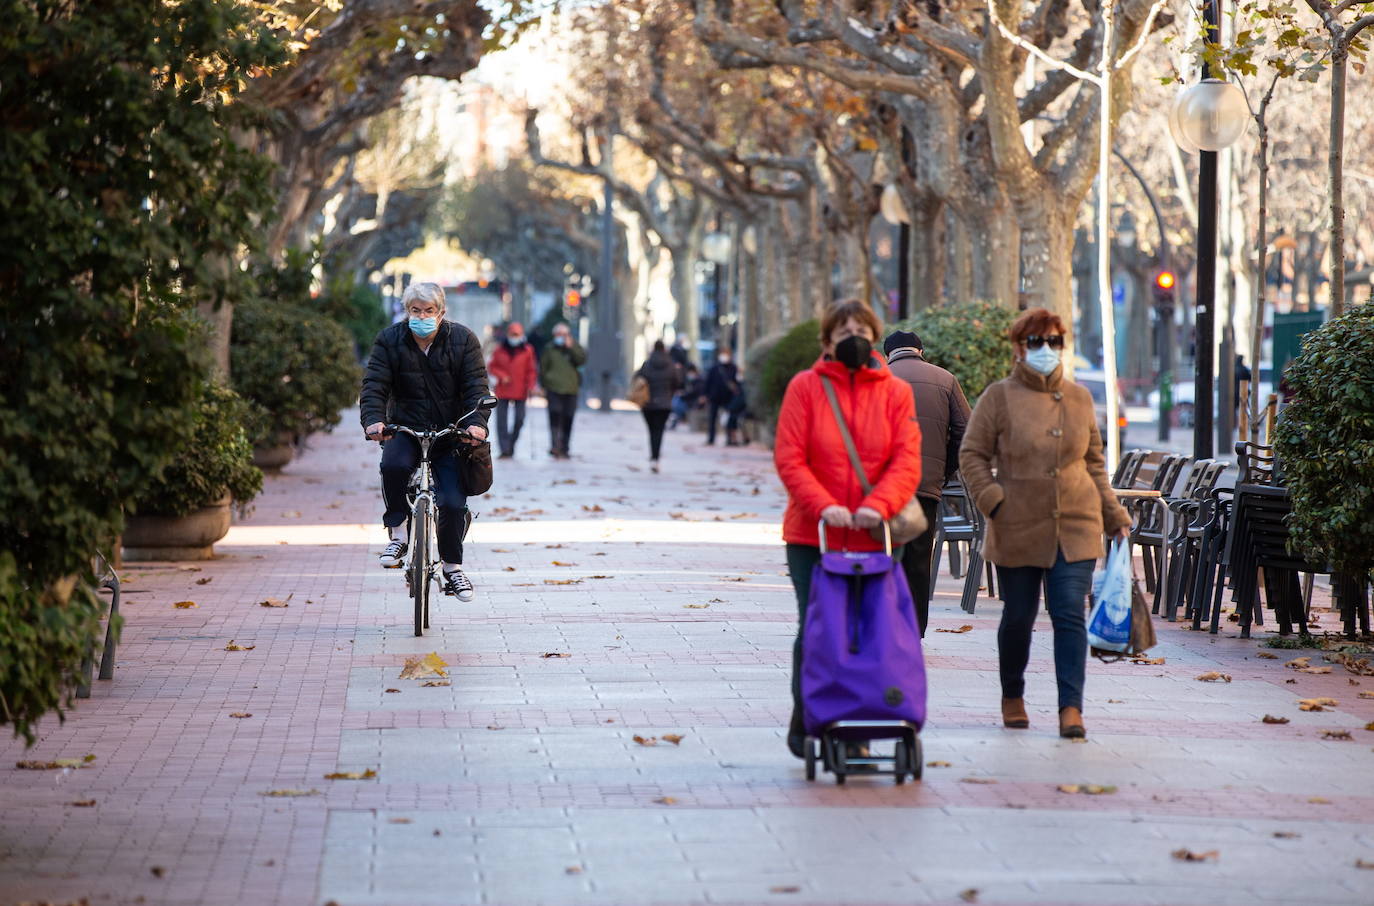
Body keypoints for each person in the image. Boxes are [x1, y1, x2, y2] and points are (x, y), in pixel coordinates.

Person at [958, 307, 1132, 739]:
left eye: (1055, 341)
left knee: (1070, 615)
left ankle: (1070, 709)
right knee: (1018, 615)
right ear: (1019, 348)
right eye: (1037, 342)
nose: (1047, 350)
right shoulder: (998, 396)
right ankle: (1012, 695)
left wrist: (1114, 516)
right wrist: (994, 501)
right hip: (1016, 524)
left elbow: (1093, 462)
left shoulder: (1078, 398)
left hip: (1076, 523)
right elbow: (971, 455)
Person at [774, 298, 923, 758]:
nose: (852, 337)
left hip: (877, 534)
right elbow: (790, 457)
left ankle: (862, 715)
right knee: (817, 628)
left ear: (875, 335)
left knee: (870, 629)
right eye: (843, 331)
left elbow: (906, 459)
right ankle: (809, 714)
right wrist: (824, 506)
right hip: (812, 535)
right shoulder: (805, 388)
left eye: (860, 328)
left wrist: (879, 506)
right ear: (827, 341)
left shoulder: (895, 393)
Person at [361, 282, 490, 601]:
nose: (422, 316)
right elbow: (374, 385)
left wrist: (476, 424)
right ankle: (398, 533)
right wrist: (374, 421)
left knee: (451, 502)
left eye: (429, 310)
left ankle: (452, 568)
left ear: (442, 312)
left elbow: (477, 387)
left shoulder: (463, 340)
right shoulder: (390, 340)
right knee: (393, 465)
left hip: (451, 433)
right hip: (404, 428)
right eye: (415, 310)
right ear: (407, 312)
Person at [883, 329, 971, 637]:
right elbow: (966, 434)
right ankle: (914, 631)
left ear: (888, 354)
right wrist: (944, 471)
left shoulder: (878, 378)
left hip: (883, 487)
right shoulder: (946, 380)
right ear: (921, 351)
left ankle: (884, 627)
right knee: (919, 559)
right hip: (924, 485)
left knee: (882, 554)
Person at [487, 321, 538, 459]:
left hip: (521, 389)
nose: (515, 337)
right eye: (512, 334)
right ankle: (505, 449)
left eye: (517, 334)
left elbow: (531, 370)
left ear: (521, 335)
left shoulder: (528, 350)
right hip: (503, 389)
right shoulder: (500, 349)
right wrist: (502, 376)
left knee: (520, 419)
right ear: (508, 334)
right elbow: (492, 366)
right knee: (501, 421)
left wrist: (531, 385)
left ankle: (511, 443)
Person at [634, 340, 683, 473]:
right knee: (659, 431)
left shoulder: (647, 364)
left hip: (648, 404)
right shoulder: (671, 366)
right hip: (664, 404)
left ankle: (653, 457)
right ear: (664, 350)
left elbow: (637, 379)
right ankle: (656, 458)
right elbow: (678, 383)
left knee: (651, 431)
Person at [539, 322, 585, 460]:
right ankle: (555, 446)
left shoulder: (574, 347)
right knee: (554, 415)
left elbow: (581, 360)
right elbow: (543, 368)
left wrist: (571, 348)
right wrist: (544, 384)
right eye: (559, 335)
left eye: (564, 335)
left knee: (568, 418)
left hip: (571, 389)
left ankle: (565, 447)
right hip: (553, 388)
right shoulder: (549, 349)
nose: (561, 337)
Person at [703, 349, 742, 446]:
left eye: (726, 354)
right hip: (715, 397)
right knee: (712, 419)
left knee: (729, 418)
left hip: (728, 397)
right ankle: (711, 438)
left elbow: (738, 382)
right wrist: (705, 395)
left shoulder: (733, 368)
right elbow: (708, 382)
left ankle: (729, 439)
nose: (724, 357)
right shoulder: (715, 368)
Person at [669, 363, 702, 430]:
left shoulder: (699, 381)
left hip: (693, 401)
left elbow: (693, 393)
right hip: (689, 400)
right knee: (676, 400)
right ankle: (675, 418)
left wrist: (683, 394)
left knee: (677, 404)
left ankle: (676, 418)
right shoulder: (691, 380)